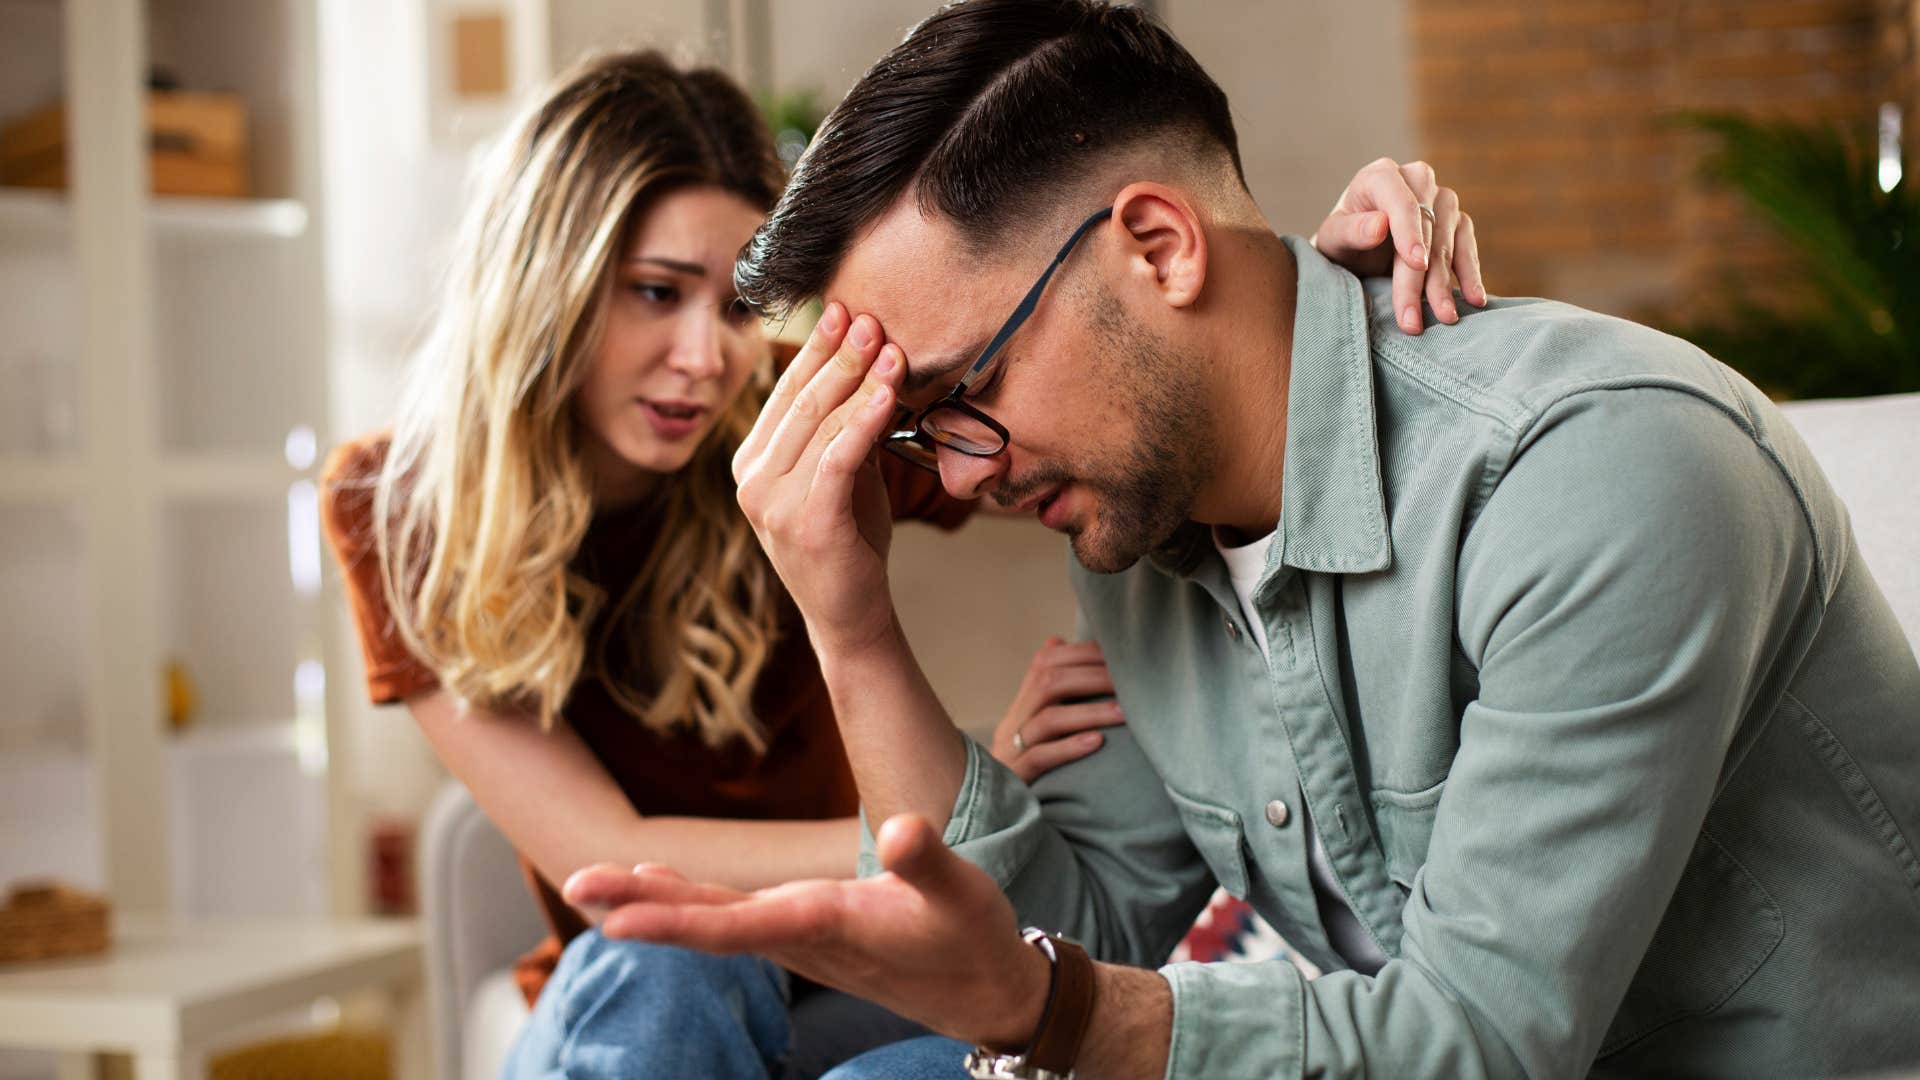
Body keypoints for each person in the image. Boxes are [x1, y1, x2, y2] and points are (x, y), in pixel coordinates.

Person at [565, 3, 1920, 1079]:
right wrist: (846, 610)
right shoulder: (1147, 544)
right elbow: (1061, 944)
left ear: (1157, 246)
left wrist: (1052, 1012)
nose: (959, 475)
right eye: (918, 430)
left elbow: (1484, 1046)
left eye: (959, 394)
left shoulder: (1597, 473)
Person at [320, 46, 1472, 1079]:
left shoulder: (794, 426)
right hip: (657, 982)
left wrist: (1301, 303)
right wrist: (972, 788)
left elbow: (1150, 442)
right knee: (672, 963)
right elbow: (607, 862)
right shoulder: (397, 508)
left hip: (876, 968)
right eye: (654, 295)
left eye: (732, 310)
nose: (702, 360)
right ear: (546, 287)